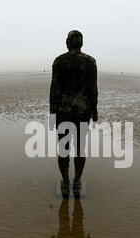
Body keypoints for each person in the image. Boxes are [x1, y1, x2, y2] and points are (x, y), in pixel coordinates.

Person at [49, 30, 98, 197]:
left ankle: (65, 181)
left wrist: (52, 114)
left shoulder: (59, 61)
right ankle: (77, 182)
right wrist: (95, 110)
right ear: (81, 43)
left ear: (67, 42)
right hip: (83, 111)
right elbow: (93, 89)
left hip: (63, 111)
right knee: (80, 149)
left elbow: (54, 89)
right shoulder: (90, 61)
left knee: (63, 149)